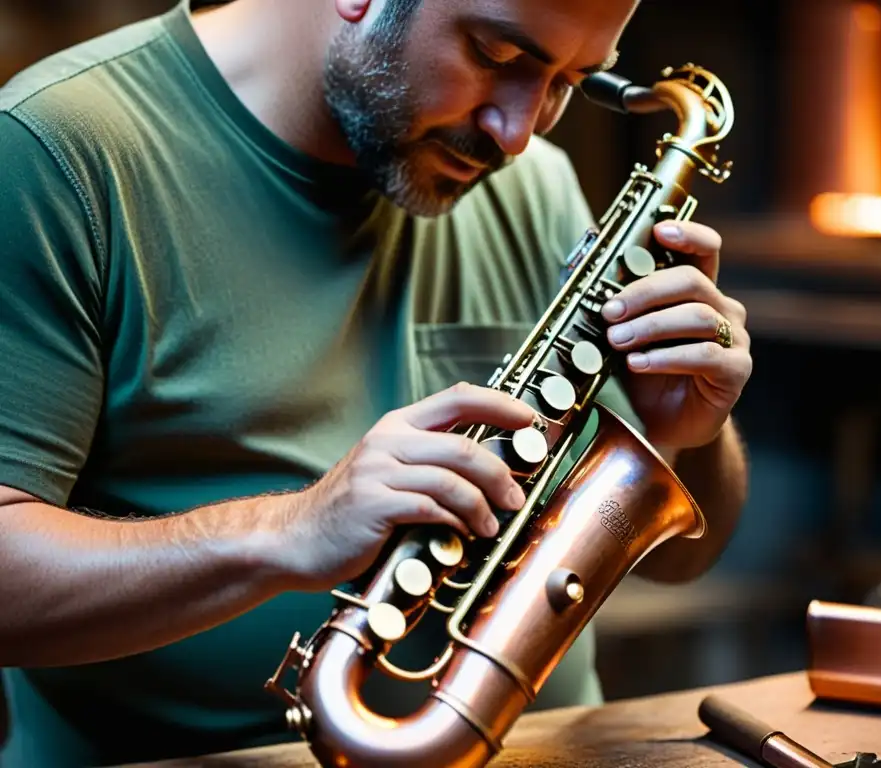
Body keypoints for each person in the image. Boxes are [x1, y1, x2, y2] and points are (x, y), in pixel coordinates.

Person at [0, 0, 753, 764]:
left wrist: (687, 435)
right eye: (495, 55)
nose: (518, 134)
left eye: (570, 81)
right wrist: (290, 530)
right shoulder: (53, 152)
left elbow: (677, 559)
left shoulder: (537, 183)